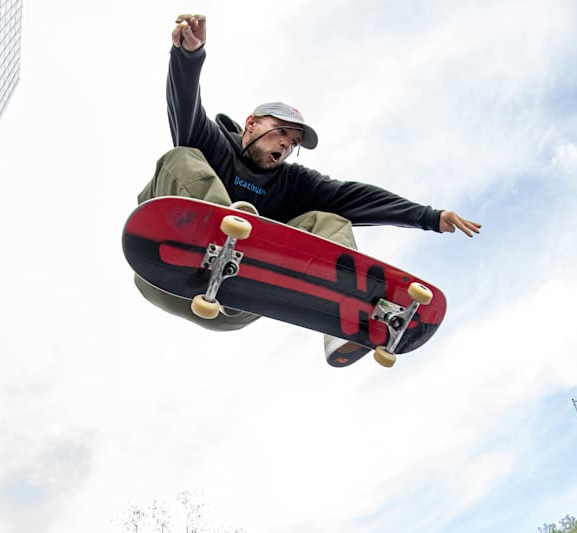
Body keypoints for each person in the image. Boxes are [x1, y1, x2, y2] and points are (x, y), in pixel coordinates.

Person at [135, 13, 480, 360]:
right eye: (281, 131)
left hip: (231, 306)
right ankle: (218, 229)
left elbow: (354, 196)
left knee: (331, 221)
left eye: (293, 141)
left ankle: (345, 323)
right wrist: (189, 56)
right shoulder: (214, 143)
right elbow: (185, 106)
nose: (286, 145)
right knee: (181, 156)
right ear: (251, 124)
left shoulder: (292, 184)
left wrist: (430, 216)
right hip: (164, 269)